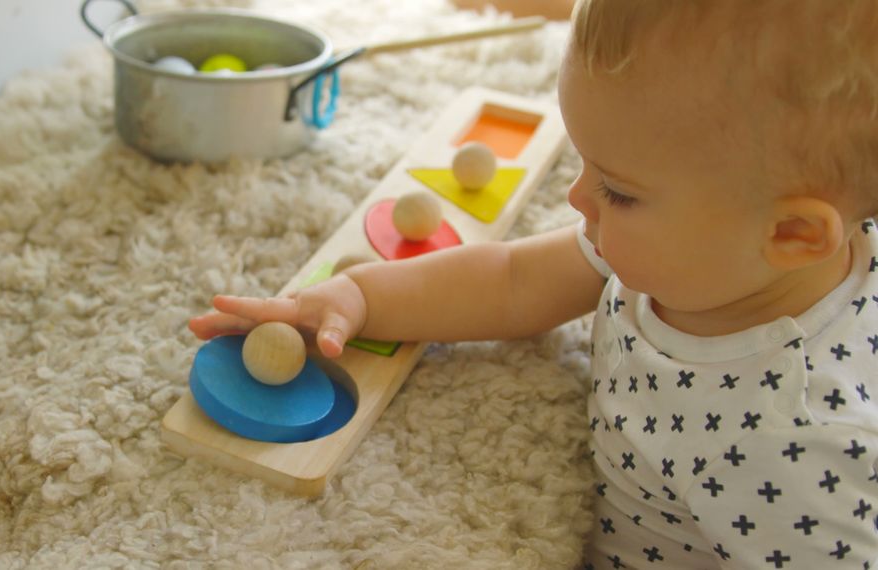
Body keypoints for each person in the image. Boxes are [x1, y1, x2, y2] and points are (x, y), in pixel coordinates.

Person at [190, 0, 878, 566]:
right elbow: (514, 279)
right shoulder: (700, 256)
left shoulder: (799, 446)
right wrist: (364, 295)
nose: (578, 197)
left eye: (619, 190)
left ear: (793, 236)